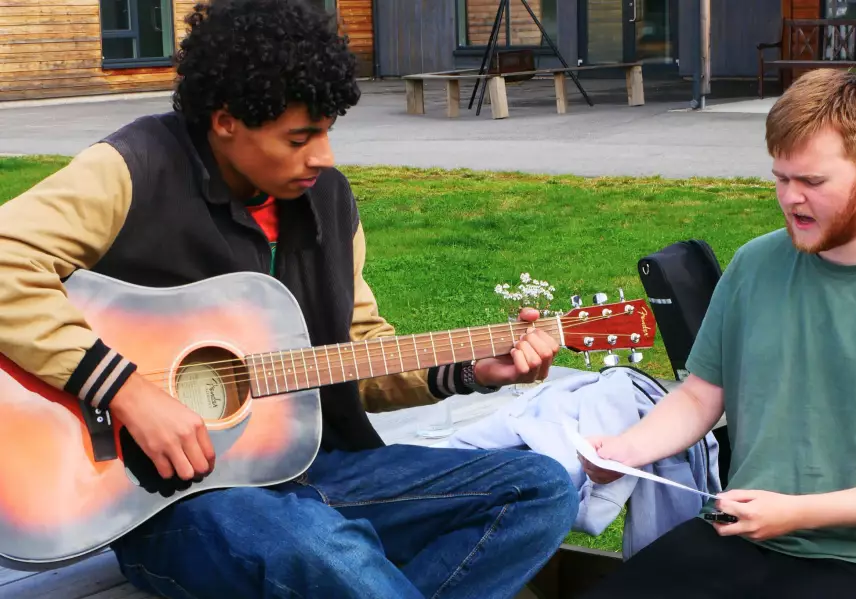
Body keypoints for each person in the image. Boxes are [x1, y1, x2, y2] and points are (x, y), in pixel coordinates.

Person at [0, 1, 579, 597]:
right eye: (300, 138)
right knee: (321, 548)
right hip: (174, 502)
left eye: (327, 132)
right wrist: (127, 391)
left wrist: (470, 371)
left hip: (319, 469)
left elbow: (358, 351)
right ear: (226, 122)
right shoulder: (135, 167)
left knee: (540, 488)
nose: (324, 157)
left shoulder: (329, 201)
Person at [577, 68, 856, 598]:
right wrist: (625, 450)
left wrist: (797, 513)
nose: (791, 199)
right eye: (781, 178)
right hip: (739, 533)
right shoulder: (755, 264)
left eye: (812, 182)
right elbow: (700, 395)